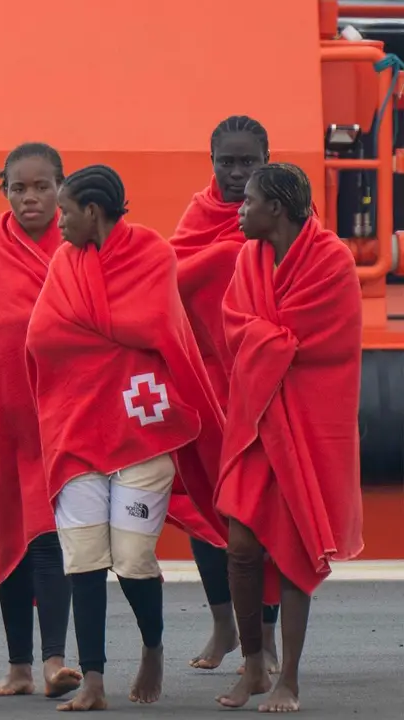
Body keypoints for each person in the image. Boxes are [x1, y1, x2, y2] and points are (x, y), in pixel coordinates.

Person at [25, 165, 229, 711]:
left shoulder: (153, 254)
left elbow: (155, 325)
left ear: (92, 213)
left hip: (142, 426)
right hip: (75, 429)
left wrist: (96, 334)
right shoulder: (63, 264)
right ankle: (93, 679)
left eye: (64, 211)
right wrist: (109, 339)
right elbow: (42, 336)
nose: (58, 221)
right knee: (86, 558)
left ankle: (153, 647)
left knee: (134, 557)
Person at [214, 163, 364, 713]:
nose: (239, 208)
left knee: (298, 543)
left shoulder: (333, 262)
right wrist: (272, 340)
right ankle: (254, 663)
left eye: (248, 201)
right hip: (256, 421)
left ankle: (289, 680)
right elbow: (235, 324)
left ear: (275, 208)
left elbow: (328, 343)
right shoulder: (248, 259)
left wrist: (267, 339)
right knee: (241, 544)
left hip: (308, 422)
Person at [0, 142, 82, 699]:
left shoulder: (77, 243)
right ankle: (19, 666)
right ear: (3, 188)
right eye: (19, 189)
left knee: (48, 535)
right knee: (8, 539)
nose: (30, 199)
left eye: (42, 187)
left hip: (57, 419)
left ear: (61, 187)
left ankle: (55, 660)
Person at [170, 115, 282, 675]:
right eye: (226, 162)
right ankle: (223, 626)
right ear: (210, 161)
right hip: (204, 382)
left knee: (262, 511)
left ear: (266, 159)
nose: (237, 173)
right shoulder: (196, 216)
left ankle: (263, 634)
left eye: (248, 162)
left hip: (261, 384)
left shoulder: (285, 214)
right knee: (202, 507)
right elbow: (168, 282)